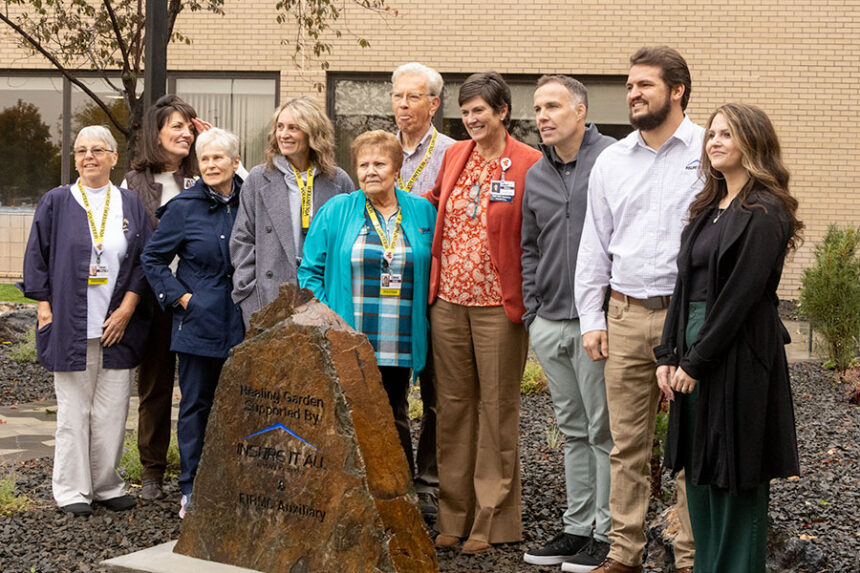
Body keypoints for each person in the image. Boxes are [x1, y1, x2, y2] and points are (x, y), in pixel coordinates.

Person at [655, 103, 802, 573]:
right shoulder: (706, 207)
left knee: (736, 470)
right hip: (691, 346)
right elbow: (683, 285)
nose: (713, 141)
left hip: (736, 351)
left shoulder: (765, 211)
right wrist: (668, 353)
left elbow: (741, 296)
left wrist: (695, 362)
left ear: (752, 142)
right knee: (698, 467)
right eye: (712, 134)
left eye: (726, 134)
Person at [574, 46, 700, 573]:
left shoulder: (708, 152)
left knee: (691, 447)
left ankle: (691, 556)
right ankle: (624, 555)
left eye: (645, 85)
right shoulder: (612, 161)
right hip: (625, 316)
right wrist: (593, 318)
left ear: (677, 91)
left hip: (689, 318)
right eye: (629, 85)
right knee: (626, 445)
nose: (633, 94)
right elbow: (593, 244)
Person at [426, 71, 541, 555]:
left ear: (502, 112)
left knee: (496, 410)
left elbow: (538, 232)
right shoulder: (454, 154)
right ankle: (453, 515)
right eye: (466, 110)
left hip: (499, 306)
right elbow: (433, 207)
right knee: (451, 409)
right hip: (448, 302)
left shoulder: (529, 164)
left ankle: (491, 521)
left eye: (480, 110)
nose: (472, 118)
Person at [19, 126, 151, 517]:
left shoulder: (129, 203)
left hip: (117, 324)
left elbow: (143, 260)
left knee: (112, 411)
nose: (88, 157)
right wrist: (44, 307)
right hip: (69, 324)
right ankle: (72, 489)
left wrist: (127, 308)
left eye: (97, 150)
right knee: (73, 413)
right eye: (80, 151)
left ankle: (107, 485)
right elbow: (36, 257)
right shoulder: (56, 201)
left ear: (114, 157)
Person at [298, 130, 436, 480]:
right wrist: (329, 321)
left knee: (394, 412)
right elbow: (310, 272)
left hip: (399, 338)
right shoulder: (336, 210)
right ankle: (349, 490)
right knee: (347, 413)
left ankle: (399, 491)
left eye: (379, 163)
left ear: (397, 169)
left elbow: (436, 266)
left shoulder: (421, 211)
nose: (370, 171)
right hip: (350, 336)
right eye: (363, 164)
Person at [520, 75, 616, 572]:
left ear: (580, 110)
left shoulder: (614, 159)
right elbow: (529, 247)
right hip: (550, 322)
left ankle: (606, 533)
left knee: (604, 433)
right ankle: (577, 528)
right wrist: (534, 312)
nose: (543, 116)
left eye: (553, 106)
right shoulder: (537, 173)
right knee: (573, 432)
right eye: (538, 108)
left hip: (597, 323)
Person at [141, 128, 245, 518]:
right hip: (198, 323)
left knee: (238, 406)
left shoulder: (249, 201)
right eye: (205, 159)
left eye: (220, 158)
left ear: (236, 163)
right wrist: (183, 298)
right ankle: (192, 488)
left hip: (242, 322)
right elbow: (152, 259)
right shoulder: (183, 207)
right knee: (196, 406)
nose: (212, 164)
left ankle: (234, 484)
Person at [123, 94, 200, 501]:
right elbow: (130, 243)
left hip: (196, 299)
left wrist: (211, 145)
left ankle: (196, 467)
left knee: (197, 387)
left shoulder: (206, 173)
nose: (186, 133)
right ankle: (152, 470)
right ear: (156, 133)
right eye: (177, 126)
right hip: (155, 299)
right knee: (155, 387)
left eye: (190, 126)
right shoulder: (134, 183)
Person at [390, 61, 456, 520]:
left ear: (434, 104)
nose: (403, 105)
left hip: (434, 290)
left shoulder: (453, 154)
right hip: (382, 294)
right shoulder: (379, 151)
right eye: (397, 96)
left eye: (413, 97)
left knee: (436, 394)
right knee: (387, 390)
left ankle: (429, 483)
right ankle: (394, 476)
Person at [230, 96, 354, 328]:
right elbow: (242, 239)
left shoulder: (339, 181)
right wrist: (247, 290)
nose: (284, 134)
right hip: (269, 296)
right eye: (280, 127)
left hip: (322, 293)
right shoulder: (258, 179)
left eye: (293, 128)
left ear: (312, 133)